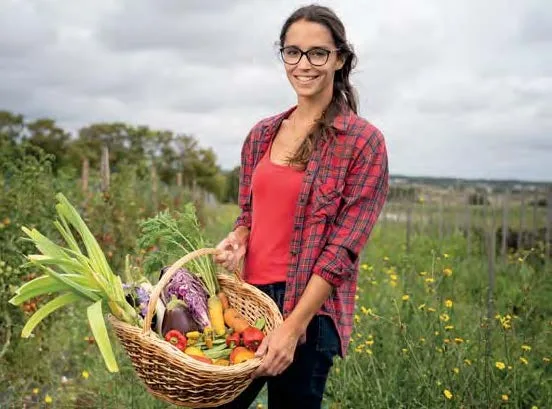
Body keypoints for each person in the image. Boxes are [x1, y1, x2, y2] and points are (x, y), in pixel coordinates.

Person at [213, 4, 389, 409]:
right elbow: (249, 215)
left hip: (309, 312)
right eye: (292, 52)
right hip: (248, 302)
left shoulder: (362, 142)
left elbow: (343, 249)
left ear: (339, 59)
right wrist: (239, 238)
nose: (303, 64)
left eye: (317, 53)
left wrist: (292, 327)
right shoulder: (261, 134)